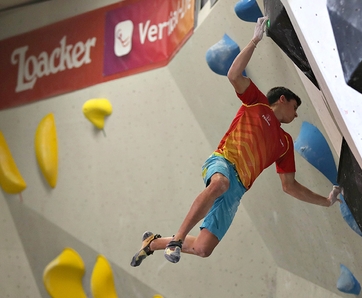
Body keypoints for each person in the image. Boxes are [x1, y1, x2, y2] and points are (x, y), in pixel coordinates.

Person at [130, 16, 341, 266]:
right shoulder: (258, 101)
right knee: (219, 183)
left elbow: (290, 186)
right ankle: (177, 239)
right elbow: (233, 74)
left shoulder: (285, 143)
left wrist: (326, 201)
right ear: (282, 99)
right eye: (295, 107)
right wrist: (254, 41)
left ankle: (152, 243)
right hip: (223, 162)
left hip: (238, 189)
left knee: (203, 248)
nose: (296, 115)